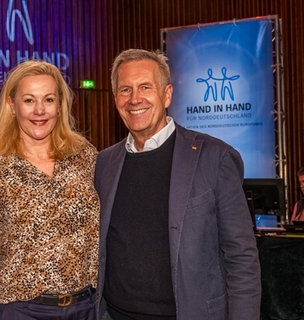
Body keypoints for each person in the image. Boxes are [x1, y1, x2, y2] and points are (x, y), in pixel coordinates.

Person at [94, 49, 261, 320]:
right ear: (115, 99)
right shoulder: (104, 163)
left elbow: (241, 257)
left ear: (167, 94)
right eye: (125, 90)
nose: (134, 99)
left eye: (145, 87)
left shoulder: (214, 158)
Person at [0, 60, 100, 320]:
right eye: (29, 100)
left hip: (87, 307)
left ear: (59, 105)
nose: (39, 110)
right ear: (12, 105)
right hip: (23, 311)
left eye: (49, 100)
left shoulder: (85, 157)